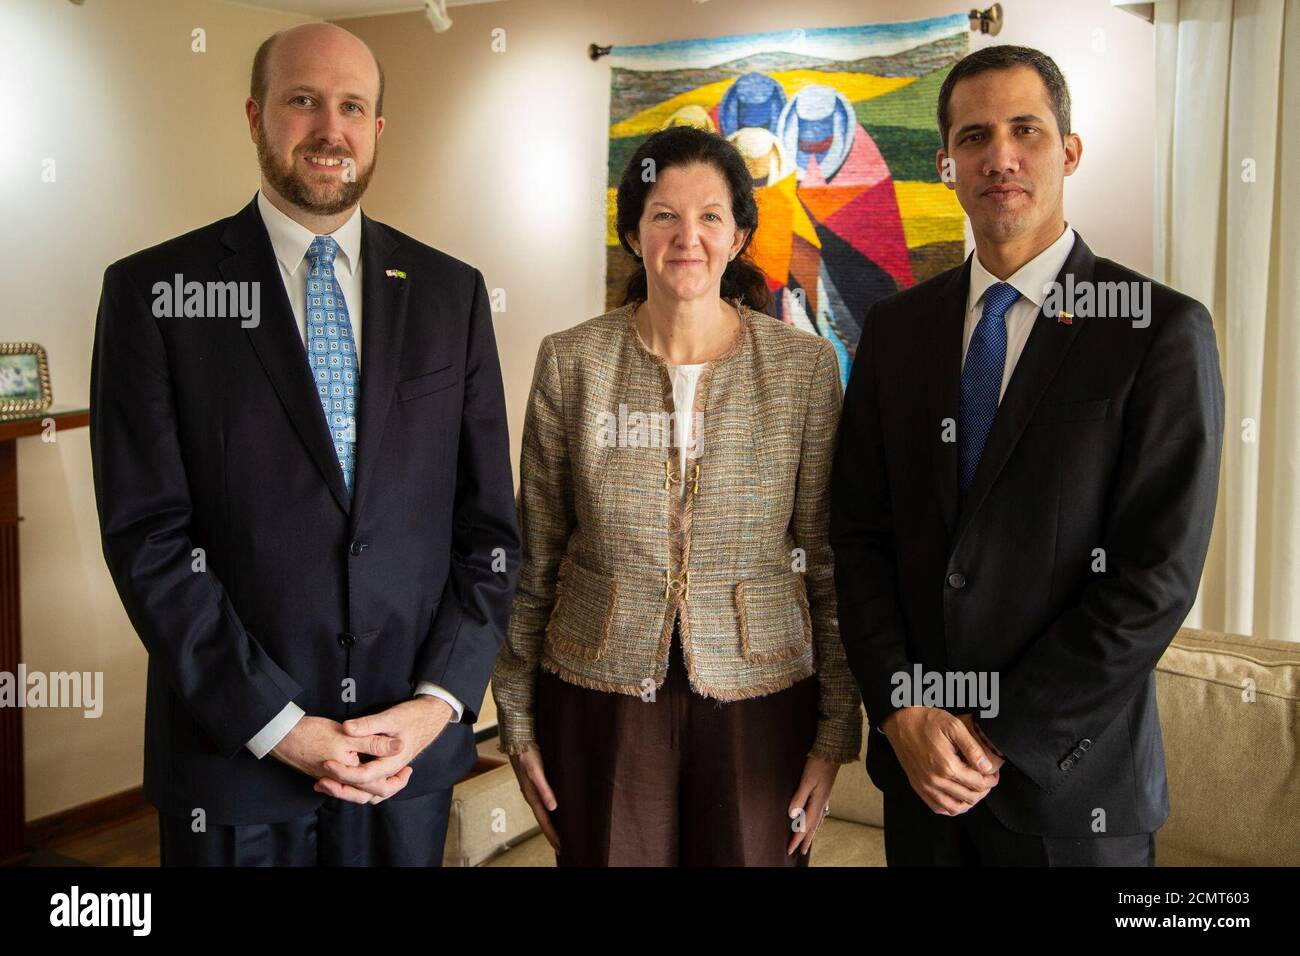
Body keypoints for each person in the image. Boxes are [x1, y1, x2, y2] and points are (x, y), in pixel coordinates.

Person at [89, 22, 519, 866]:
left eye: (352, 106)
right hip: (235, 763)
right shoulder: (155, 294)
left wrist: (436, 705)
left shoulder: (449, 293)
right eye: (303, 101)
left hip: (404, 757)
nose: (330, 129)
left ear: (378, 130)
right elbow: (149, 540)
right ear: (255, 116)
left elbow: (489, 533)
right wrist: (278, 725)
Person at [829, 45, 1223, 866]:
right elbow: (860, 538)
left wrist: (998, 732)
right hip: (920, 782)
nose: (998, 156)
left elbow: (1154, 580)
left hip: (1072, 795)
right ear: (946, 165)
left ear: (1069, 150)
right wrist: (902, 710)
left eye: (1025, 130)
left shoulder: (1156, 331)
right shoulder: (897, 332)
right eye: (973, 137)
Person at [491, 125, 862, 866]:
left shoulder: (804, 369)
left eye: (710, 217)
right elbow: (534, 558)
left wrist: (831, 737)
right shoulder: (573, 362)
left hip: (760, 695)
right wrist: (518, 720)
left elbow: (828, 563)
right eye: (664, 214)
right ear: (633, 233)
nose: (686, 236)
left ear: (740, 235)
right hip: (601, 693)